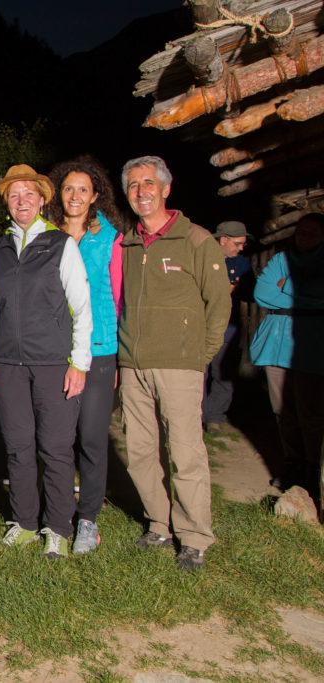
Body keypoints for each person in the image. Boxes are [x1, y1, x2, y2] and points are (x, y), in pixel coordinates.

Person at [118, 155, 231, 571]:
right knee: (140, 451)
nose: (141, 192)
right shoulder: (127, 243)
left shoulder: (197, 240)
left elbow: (219, 305)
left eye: (148, 183)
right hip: (133, 364)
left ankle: (195, 535)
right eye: (133, 185)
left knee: (184, 452)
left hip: (180, 365)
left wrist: (199, 357)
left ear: (166, 188)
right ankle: (159, 522)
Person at [0, 164, 92, 559]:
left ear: (42, 199)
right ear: (6, 203)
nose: (22, 201)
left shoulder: (60, 244)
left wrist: (79, 363)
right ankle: (26, 522)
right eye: (14, 195)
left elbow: (82, 308)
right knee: (17, 446)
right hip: (7, 364)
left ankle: (59, 527)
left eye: (29, 194)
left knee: (55, 448)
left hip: (53, 363)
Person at [47, 157, 123, 555]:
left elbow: (118, 296)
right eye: (68, 189)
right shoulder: (47, 236)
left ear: (95, 196)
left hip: (98, 352)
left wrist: (115, 358)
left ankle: (88, 520)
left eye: (83, 189)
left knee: (92, 438)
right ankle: (57, 513)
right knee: (59, 438)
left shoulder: (109, 239)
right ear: (58, 194)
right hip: (56, 350)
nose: (75, 196)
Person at [249, 213, 324, 497]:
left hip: (311, 348)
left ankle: (312, 469)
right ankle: (292, 464)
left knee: (311, 413)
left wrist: (287, 287)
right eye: (301, 232)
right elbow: (262, 293)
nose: (304, 238)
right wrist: (307, 298)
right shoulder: (281, 259)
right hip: (276, 345)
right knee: (282, 410)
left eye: (312, 233)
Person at [202, 220, 254, 434]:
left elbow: (251, 292)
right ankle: (197, 415)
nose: (241, 248)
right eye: (238, 243)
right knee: (199, 374)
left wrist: (236, 288)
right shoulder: (202, 257)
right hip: (201, 327)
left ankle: (214, 417)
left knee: (223, 374)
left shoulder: (242, 264)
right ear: (223, 240)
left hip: (228, 330)